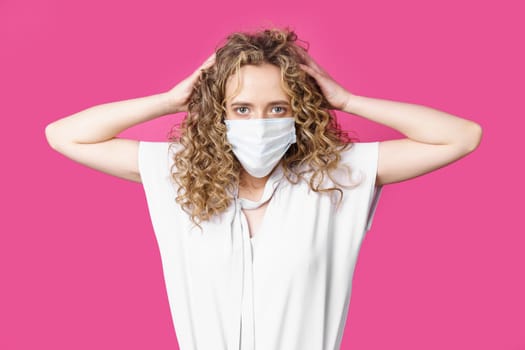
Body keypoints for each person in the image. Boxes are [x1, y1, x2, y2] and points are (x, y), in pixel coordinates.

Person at [45, 27, 482, 350]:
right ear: (219, 113)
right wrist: (170, 99)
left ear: (300, 111)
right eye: (241, 108)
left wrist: (347, 101)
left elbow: (461, 136)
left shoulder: (335, 178)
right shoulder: (175, 173)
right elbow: (65, 135)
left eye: (277, 108)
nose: (260, 123)